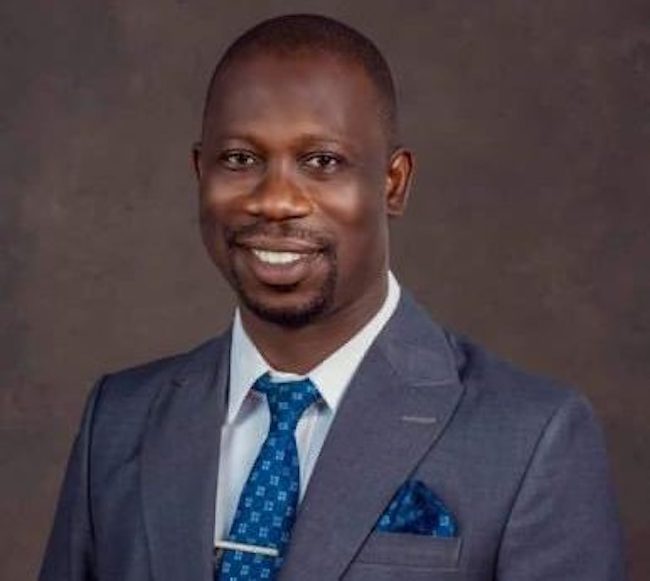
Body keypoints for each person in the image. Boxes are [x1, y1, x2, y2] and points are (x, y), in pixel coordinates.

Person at [40, 14, 625, 581]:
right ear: (201, 172)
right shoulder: (120, 420)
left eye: (321, 162)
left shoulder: (530, 437)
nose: (275, 200)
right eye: (240, 159)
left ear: (393, 183)